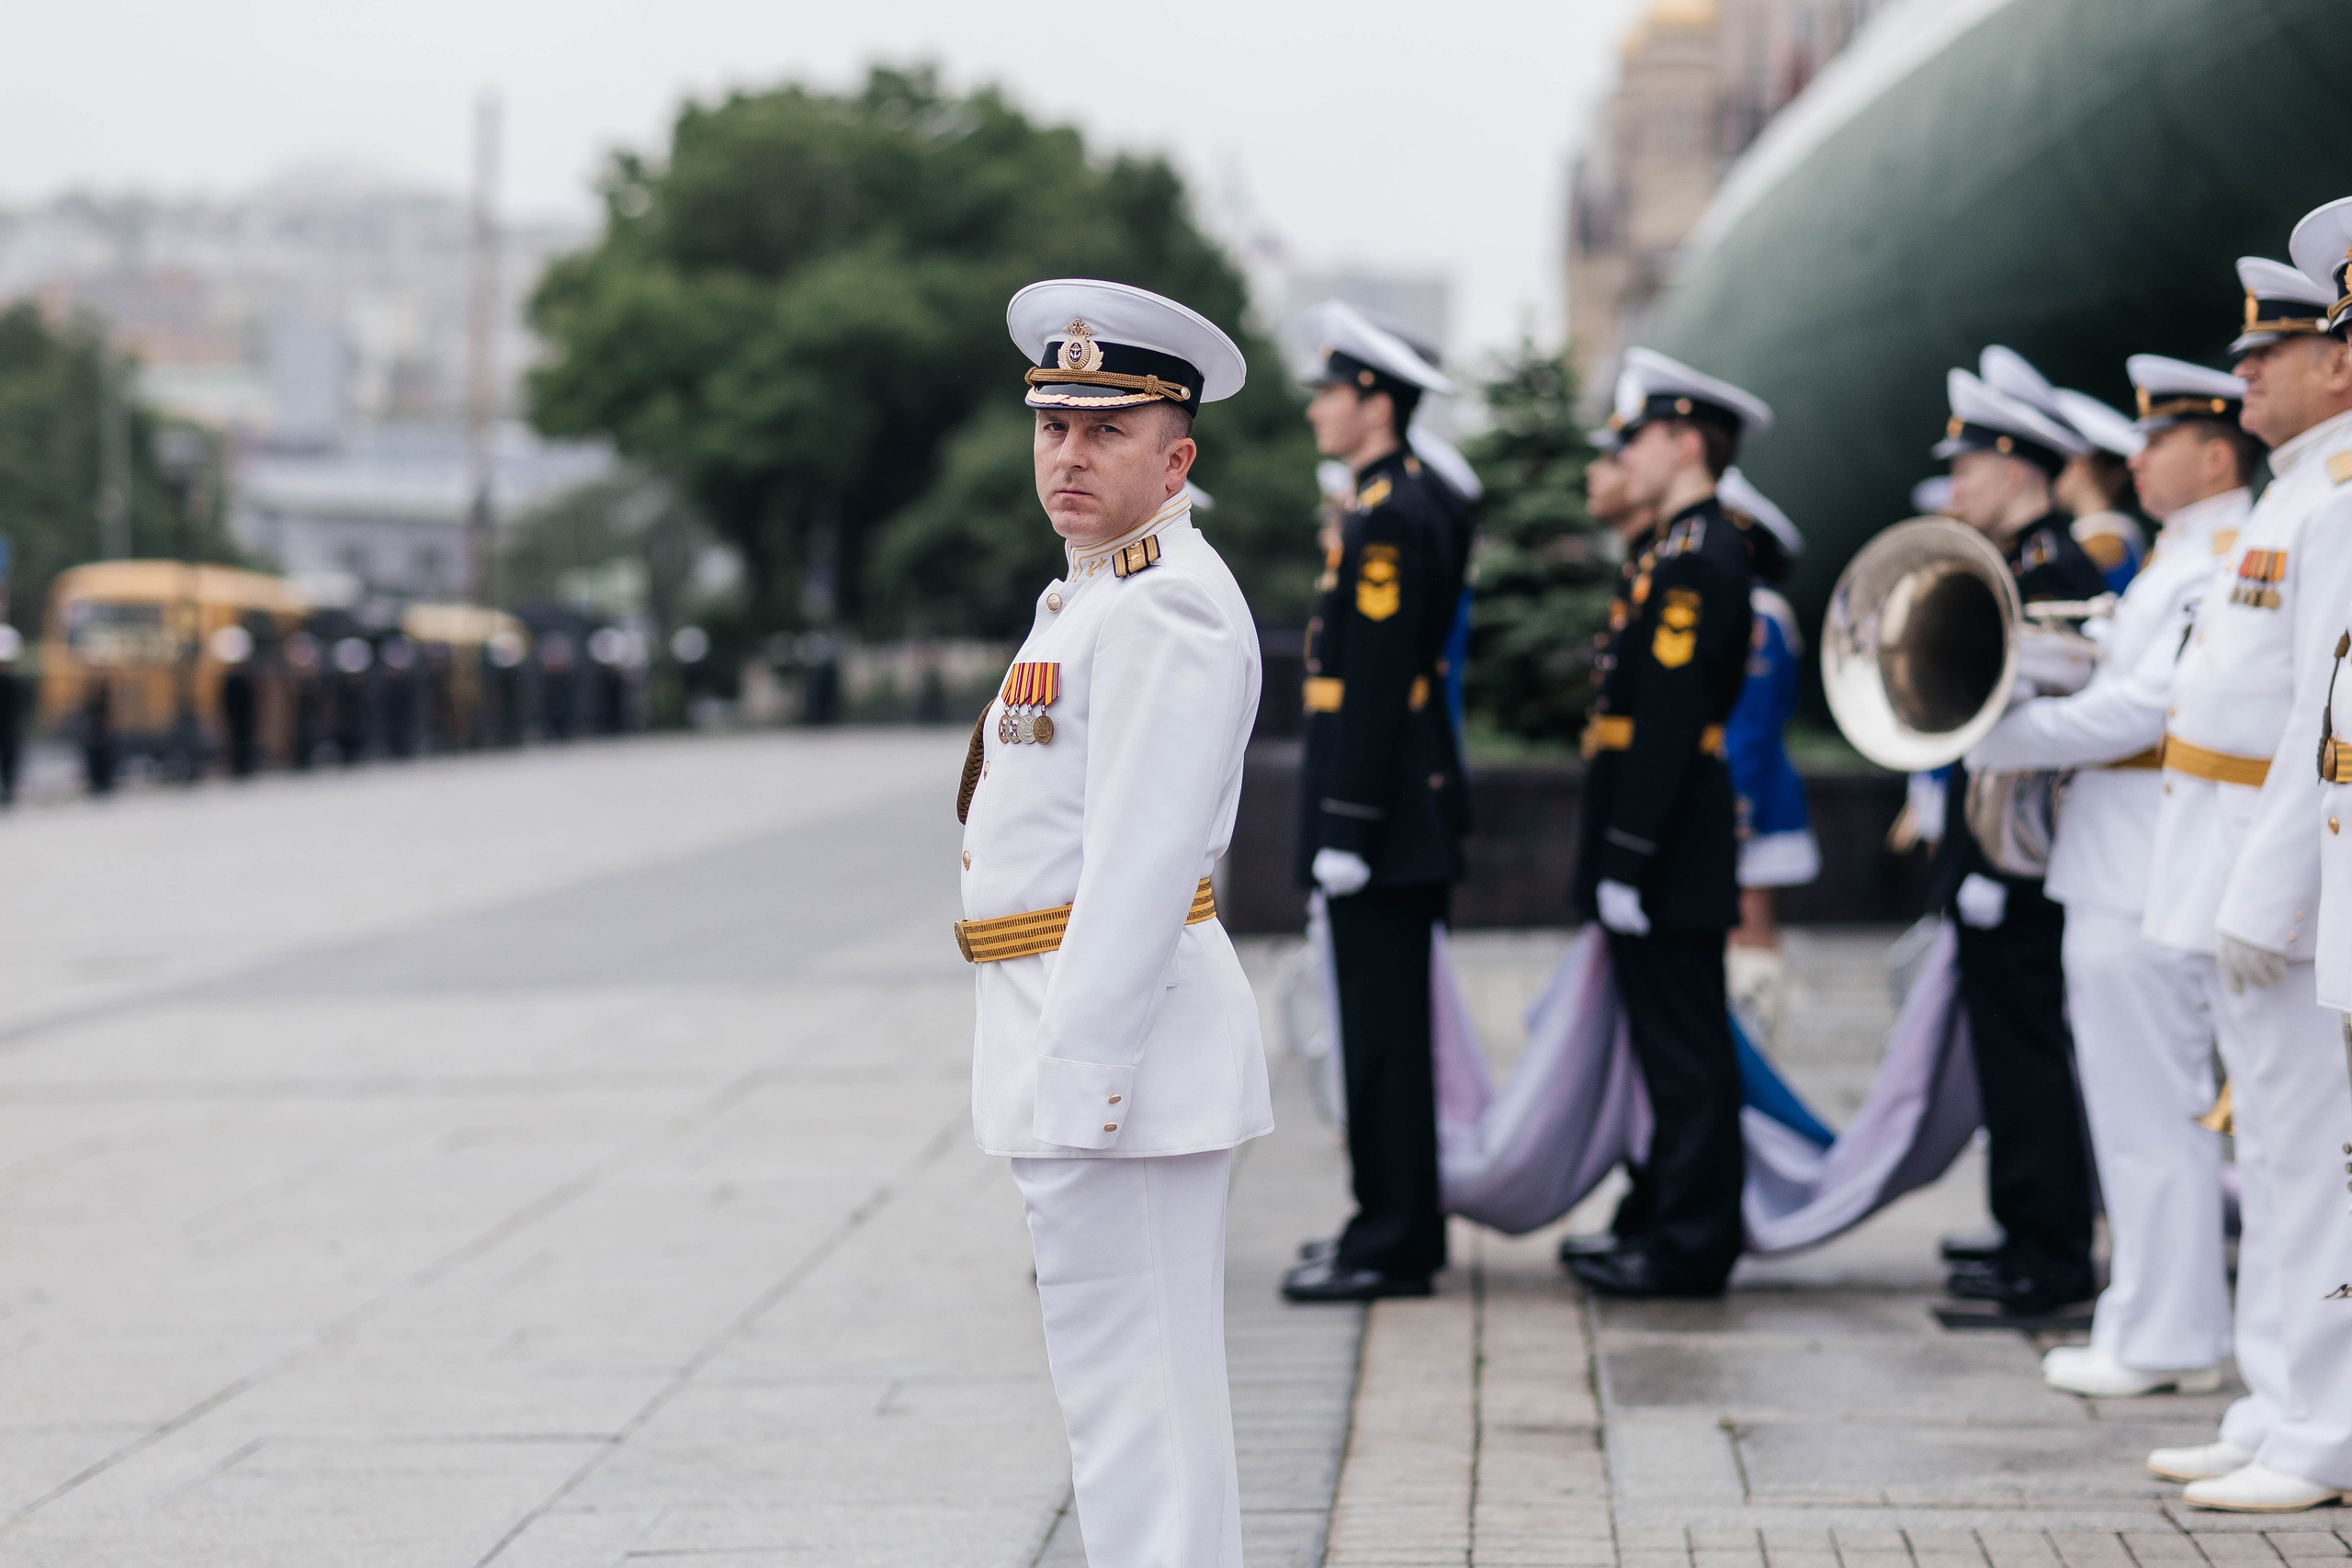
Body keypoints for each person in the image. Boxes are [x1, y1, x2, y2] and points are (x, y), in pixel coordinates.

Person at [958, 278, 1265, 1564]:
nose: (1070, 455)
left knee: (1142, 1408)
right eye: (1054, 426)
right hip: (1079, 1039)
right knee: (1123, 1400)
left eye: (1107, 430)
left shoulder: (1167, 604)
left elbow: (1139, 871)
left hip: (1122, 1058)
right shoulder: (1094, 591)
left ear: (1175, 454)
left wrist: (1078, 1085)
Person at [1966, 353, 2256, 1397]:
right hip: (2117, 860)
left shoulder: (2214, 557)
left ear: (2213, 453)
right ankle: (2144, 1318)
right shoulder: (2183, 555)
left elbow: (2146, 711)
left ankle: (2168, 1333)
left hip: (2146, 865)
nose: (2135, 458)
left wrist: (2001, 734)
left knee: (2152, 1115)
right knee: (2131, 1116)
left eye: (2158, 440)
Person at [2148, 218, 2352, 1514]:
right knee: (2278, 1154)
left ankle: (2320, 1422)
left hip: (2290, 862)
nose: (2253, 378)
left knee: (2310, 1152)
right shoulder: (2301, 496)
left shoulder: (2327, 502)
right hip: (2261, 852)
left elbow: (2310, 726)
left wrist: (2265, 893)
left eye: (2289, 350)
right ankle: (2284, 1398)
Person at [1565, 347, 1771, 1300]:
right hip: (1657, 835)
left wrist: (1629, 853)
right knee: (1666, 1047)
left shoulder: (1703, 553)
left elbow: (1670, 720)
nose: (1626, 452)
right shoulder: (1670, 546)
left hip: (1670, 840)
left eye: (1640, 434)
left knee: (1685, 1054)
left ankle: (1691, 1245)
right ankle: (1660, 1216)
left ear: (1686, 440)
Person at [1282, 303, 1469, 1303]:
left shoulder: (1394, 510)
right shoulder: (1386, 498)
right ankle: (1389, 1226)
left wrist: (1346, 826)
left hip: (1385, 814)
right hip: (1388, 809)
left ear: (1373, 402)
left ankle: (1391, 1240)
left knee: (1385, 1039)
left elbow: (1380, 679)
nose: (1316, 408)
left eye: (1329, 392)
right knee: (1378, 1034)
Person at [1927, 367, 2108, 1317]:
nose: (1955, 490)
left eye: (1967, 469)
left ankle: (2051, 1261)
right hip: (1996, 853)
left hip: (2023, 858)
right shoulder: (2017, 564)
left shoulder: (2053, 573)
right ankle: (2023, 1230)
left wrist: (1996, 864)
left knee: (2027, 1052)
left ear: (2015, 467)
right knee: (2006, 1053)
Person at [1714, 467, 1815, 1053]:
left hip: (1753, 795)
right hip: (1745, 787)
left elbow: (1749, 725)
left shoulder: (1760, 613)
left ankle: (1755, 1053)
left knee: (1750, 931)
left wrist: (1738, 803)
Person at [1979, 344, 2147, 591]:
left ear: (2086, 466)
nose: (2051, 471)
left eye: (2062, 461)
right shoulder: (2092, 536)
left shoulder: (2104, 543)